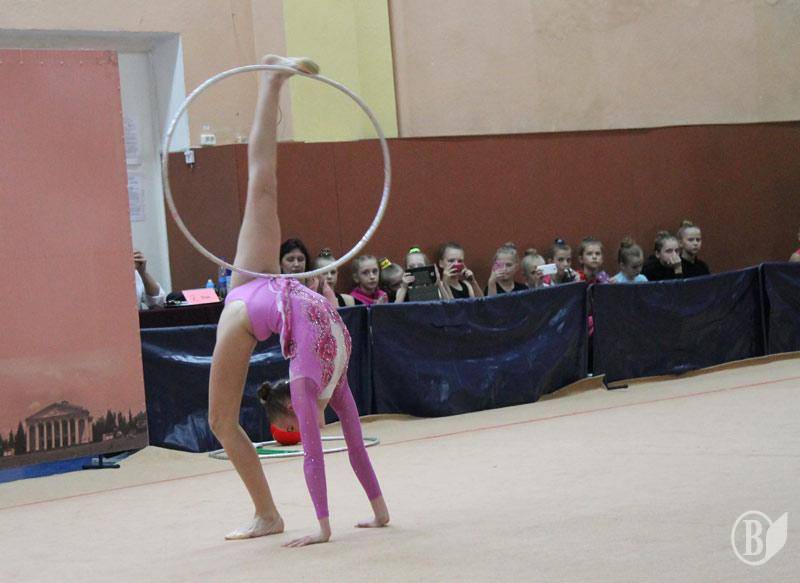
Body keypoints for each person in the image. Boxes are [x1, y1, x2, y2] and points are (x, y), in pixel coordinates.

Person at [208, 56, 388, 546]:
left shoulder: (313, 382)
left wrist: (327, 527)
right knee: (261, 182)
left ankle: (267, 513)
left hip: (251, 301)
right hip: (253, 294)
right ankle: (272, 79)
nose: (304, 427)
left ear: (287, 413)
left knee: (262, 182)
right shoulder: (325, 382)